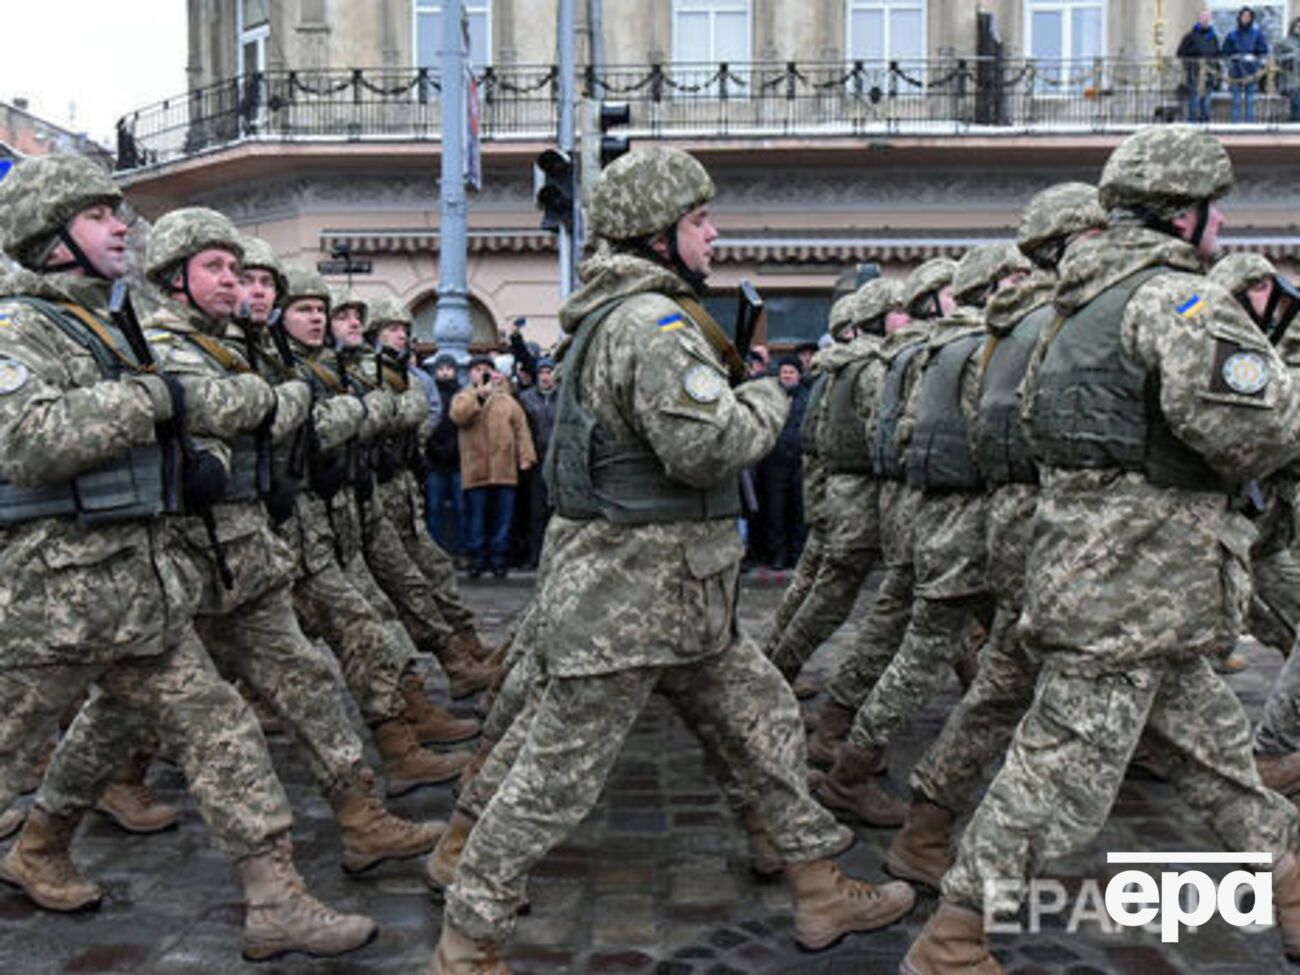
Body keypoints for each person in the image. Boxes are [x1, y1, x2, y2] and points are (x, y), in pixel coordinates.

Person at [429, 146, 915, 975]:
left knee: (761, 721)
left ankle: (816, 880)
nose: (713, 233)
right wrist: (767, 395)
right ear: (658, 233)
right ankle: (468, 940)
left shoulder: (620, 316)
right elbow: (707, 445)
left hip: (675, 594)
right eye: (698, 221)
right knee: (555, 776)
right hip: (634, 596)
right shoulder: (650, 326)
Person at [904, 125, 1300, 973]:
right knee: (1058, 773)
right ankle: (954, 940)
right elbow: (1253, 430)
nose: (1223, 228)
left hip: (1115, 577)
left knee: (1214, 750)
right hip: (1137, 581)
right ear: (1179, 214)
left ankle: (1291, 879)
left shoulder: (1071, 306)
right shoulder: (1174, 301)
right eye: (1213, 210)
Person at [0, 161, 373, 961]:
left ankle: (275, 901)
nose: (119, 225)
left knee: (222, 730)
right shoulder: (17, 325)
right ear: (51, 234)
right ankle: (36, 845)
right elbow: (24, 439)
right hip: (47, 601)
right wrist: (154, 399)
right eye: (99, 213)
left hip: (134, 589)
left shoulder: (102, 327)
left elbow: (179, 409)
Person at [887, 183, 1109, 893]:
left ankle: (926, 822)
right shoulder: (1054, 319)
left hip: (1010, 514)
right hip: (1058, 518)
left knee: (1007, 671)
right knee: (1027, 679)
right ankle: (962, 887)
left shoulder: (996, 334)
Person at [450, 355, 536, 578]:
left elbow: (521, 430)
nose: (481, 373)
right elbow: (459, 417)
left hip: (504, 469)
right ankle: (477, 559)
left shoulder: (507, 401)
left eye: (485, 369)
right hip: (475, 468)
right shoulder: (463, 397)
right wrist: (478, 396)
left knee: (503, 519)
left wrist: (526, 456)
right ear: (470, 374)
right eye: (477, 369)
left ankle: (499, 560)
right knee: (476, 518)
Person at [755, 355, 809, 569]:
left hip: (799, 462)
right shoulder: (770, 397)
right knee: (775, 512)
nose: (787, 376)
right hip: (773, 463)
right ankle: (778, 554)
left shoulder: (806, 397)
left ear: (799, 375)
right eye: (784, 372)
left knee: (800, 511)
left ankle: (798, 554)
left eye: (791, 372)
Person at [517, 355, 559, 568]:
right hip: (535, 464)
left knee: (557, 512)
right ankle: (534, 557)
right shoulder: (526, 398)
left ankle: (555, 558)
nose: (545, 377)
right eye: (541, 372)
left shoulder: (564, 398)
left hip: (558, 464)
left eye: (549, 372)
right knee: (535, 513)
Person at [425, 352, 466, 550]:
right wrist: (435, 447)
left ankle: (462, 549)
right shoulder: (430, 395)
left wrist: (452, 447)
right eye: (441, 368)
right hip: (435, 461)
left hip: (458, 461)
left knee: (461, 508)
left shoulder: (461, 394)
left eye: (448, 368)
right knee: (434, 508)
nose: (444, 372)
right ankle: (435, 549)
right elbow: (428, 424)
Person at [1223, 5, 1269, 122]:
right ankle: (1235, 126)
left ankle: (1250, 125)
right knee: (1236, 101)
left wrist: (1255, 59)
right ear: (1240, 17)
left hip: (1251, 73)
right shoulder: (1232, 35)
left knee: (1250, 101)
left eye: (1248, 16)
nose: (1246, 18)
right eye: (1244, 16)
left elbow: (1263, 51)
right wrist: (1232, 59)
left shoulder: (1257, 34)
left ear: (1251, 18)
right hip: (1236, 72)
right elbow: (1225, 52)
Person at [1177, 7, 1221, 122]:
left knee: (1206, 104)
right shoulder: (1190, 36)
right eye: (1203, 17)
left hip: (1209, 75)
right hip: (1194, 74)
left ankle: (1205, 125)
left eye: (1207, 17)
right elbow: (1181, 53)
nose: (1205, 20)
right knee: (1194, 102)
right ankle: (1193, 124)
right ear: (1199, 19)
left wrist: (1217, 74)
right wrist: (1192, 63)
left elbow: (1217, 56)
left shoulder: (1213, 37)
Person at [1276, 16, 1300, 120]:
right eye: (1298, 26)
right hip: (1291, 80)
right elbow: (1276, 59)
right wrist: (1293, 55)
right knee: (1297, 103)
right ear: (1293, 28)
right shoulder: (1283, 43)